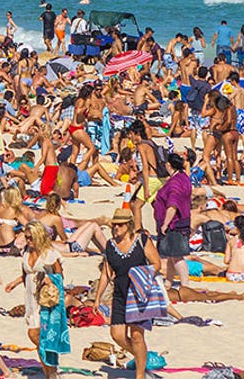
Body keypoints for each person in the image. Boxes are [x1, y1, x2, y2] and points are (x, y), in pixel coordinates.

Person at [91, 208, 162, 379]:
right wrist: (97, 298)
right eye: (114, 224)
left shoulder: (142, 240)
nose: (116, 228)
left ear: (129, 225)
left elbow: (157, 263)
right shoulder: (110, 245)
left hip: (138, 292)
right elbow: (106, 274)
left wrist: (141, 275)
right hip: (120, 293)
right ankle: (142, 357)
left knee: (137, 336)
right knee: (117, 334)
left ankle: (140, 375)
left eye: (120, 225)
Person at [6, 221, 63, 379]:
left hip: (45, 300)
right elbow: (26, 274)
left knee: (35, 334)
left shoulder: (49, 253)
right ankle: (50, 373)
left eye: (30, 238)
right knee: (40, 338)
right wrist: (14, 283)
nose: (28, 240)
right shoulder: (26, 252)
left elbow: (60, 275)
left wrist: (51, 280)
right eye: (27, 237)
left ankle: (51, 371)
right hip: (31, 300)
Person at [151, 151, 192, 287]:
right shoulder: (184, 177)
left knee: (177, 256)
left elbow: (173, 205)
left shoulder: (175, 183)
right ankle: (168, 281)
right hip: (183, 221)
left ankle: (185, 284)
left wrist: (165, 224)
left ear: (169, 165)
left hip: (174, 223)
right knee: (171, 255)